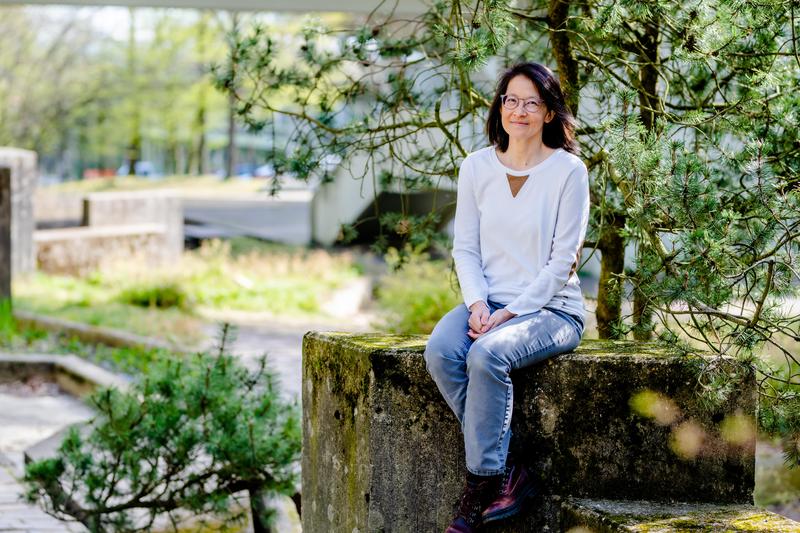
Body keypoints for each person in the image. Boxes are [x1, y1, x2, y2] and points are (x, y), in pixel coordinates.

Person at [424, 62, 590, 533]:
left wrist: (510, 314)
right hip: (488, 301)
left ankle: (479, 488)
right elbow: (466, 247)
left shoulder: (568, 172)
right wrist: (478, 304)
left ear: (550, 113)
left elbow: (563, 263)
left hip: (552, 309)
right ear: (499, 107)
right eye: (510, 100)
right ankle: (510, 466)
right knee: (439, 350)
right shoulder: (476, 167)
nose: (519, 110)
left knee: (486, 356)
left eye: (532, 102)